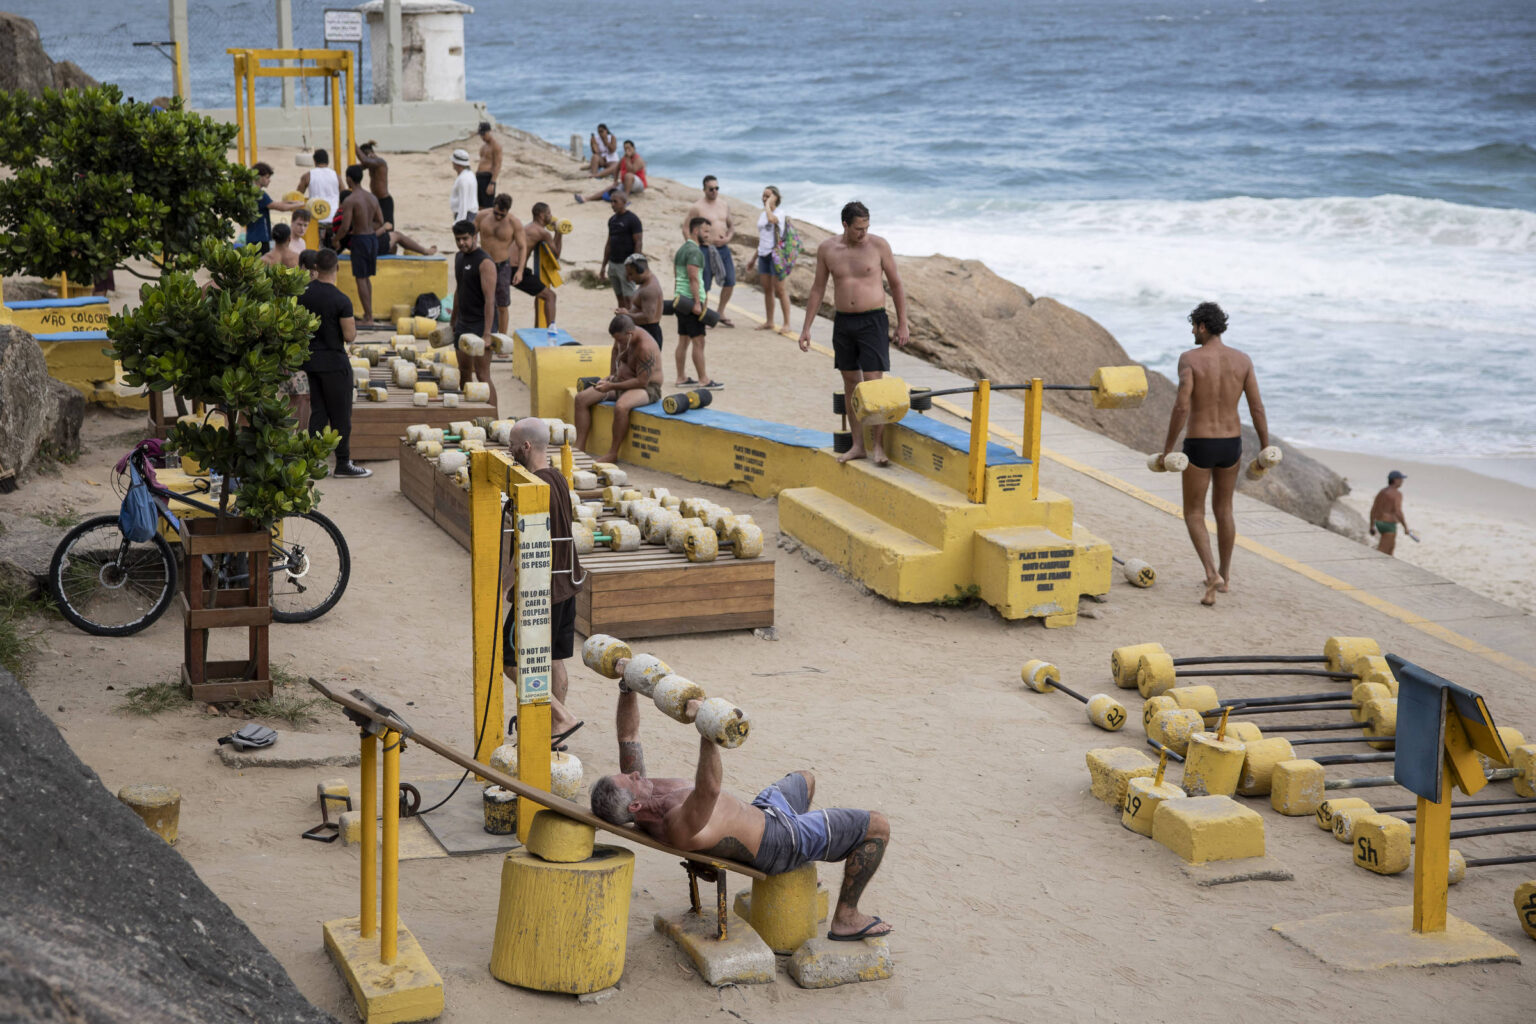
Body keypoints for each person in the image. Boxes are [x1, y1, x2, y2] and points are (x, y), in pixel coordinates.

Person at [589, 682, 893, 941]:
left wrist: (627, 685)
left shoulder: (643, 797)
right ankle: (846, 917)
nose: (634, 773)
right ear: (634, 806)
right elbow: (710, 789)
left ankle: (806, 857)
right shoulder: (674, 824)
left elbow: (628, 735)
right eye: (630, 779)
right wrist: (706, 727)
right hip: (779, 842)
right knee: (878, 826)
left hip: (765, 811)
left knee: (805, 778)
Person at [1156, 301, 1270, 606]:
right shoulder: (1243, 360)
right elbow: (1257, 407)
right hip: (1231, 443)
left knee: (1194, 512)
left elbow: (1181, 406)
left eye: (1194, 326)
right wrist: (1264, 448)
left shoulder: (1190, 359)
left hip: (1200, 443)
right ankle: (1226, 576)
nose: (1192, 332)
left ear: (1203, 326)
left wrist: (1167, 450)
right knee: (1225, 510)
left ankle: (1211, 573)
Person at [797, 201, 909, 465]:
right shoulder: (827, 249)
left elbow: (896, 284)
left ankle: (878, 446)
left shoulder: (878, 246)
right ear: (845, 225)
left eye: (867, 227)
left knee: (873, 381)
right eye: (859, 228)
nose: (864, 233)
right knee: (851, 383)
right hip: (844, 322)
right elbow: (818, 288)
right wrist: (806, 328)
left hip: (873, 321)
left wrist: (903, 323)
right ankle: (858, 445)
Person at [504, 417, 586, 746]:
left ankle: (562, 717)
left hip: (542, 591)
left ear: (526, 446)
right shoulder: (558, 478)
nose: (509, 450)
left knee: (511, 660)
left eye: (512, 444)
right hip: (568, 583)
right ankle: (555, 733)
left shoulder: (533, 488)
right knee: (554, 659)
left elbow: (526, 547)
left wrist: (503, 587)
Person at [299, 249, 370, 478]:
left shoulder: (303, 294)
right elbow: (349, 335)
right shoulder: (341, 299)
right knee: (341, 414)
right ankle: (342, 463)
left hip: (311, 362)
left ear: (315, 268)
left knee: (318, 412)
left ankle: (312, 462)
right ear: (337, 268)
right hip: (334, 363)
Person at [573, 314, 663, 464]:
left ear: (629, 334)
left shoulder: (645, 347)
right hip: (620, 382)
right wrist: (611, 375)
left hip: (647, 388)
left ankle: (613, 453)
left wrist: (611, 386)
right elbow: (615, 351)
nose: (617, 343)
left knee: (621, 406)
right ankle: (579, 448)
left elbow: (641, 382)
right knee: (581, 399)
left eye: (620, 340)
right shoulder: (622, 338)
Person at [451, 218, 499, 412]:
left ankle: (495, 417)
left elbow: (490, 300)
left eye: (465, 238)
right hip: (463, 323)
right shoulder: (458, 258)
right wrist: (453, 321)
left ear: (474, 237)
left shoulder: (485, 262)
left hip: (481, 324)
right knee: (464, 372)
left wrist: (487, 334)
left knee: (482, 374)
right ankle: (469, 413)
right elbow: (459, 290)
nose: (461, 243)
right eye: (458, 239)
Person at [674, 217, 721, 388]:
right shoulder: (694, 251)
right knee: (698, 341)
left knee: (683, 340)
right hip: (690, 303)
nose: (708, 235)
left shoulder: (682, 250)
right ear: (696, 231)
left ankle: (681, 377)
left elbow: (677, 276)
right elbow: (693, 277)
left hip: (681, 300)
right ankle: (703, 379)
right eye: (705, 231)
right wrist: (697, 303)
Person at [335, 165, 385, 324]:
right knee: (366, 278)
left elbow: (344, 227)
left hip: (360, 240)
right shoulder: (372, 198)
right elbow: (380, 221)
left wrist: (335, 239)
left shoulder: (350, 200)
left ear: (349, 179)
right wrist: (368, 226)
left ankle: (368, 317)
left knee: (360, 279)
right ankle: (368, 314)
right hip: (372, 239)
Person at [684, 175, 735, 327]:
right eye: (711, 189)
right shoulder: (697, 207)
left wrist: (727, 238)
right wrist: (692, 246)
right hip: (704, 249)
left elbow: (731, 226)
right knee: (704, 284)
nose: (714, 191)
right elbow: (686, 228)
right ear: (704, 189)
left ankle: (720, 312)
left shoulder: (724, 205)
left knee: (730, 281)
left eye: (717, 188)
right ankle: (704, 313)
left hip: (723, 248)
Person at [476, 193, 527, 335]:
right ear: (494, 206)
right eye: (496, 213)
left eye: (502, 215)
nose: (498, 217)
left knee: (502, 305)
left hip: (502, 266)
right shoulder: (482, 216)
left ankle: (502, 338)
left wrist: (520, 271)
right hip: (483, 263)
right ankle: (482, 333)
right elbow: (470, 235)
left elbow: (522, 247)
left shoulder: (514, 223)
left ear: (508, 211)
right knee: (480, 301)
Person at [516, 202, 563, 328]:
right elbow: (556, 254)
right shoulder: (542, 232)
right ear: (542, 215)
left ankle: (539, 325)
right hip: (515, 270)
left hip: (512, 267)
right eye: (549, 213)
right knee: (550, 296)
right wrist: (559, 232)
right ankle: (551, 329)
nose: (551, 216)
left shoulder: (528, 227)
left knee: (540, 293)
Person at [755, 186, 793, 331]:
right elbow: (762, 237)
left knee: (780, 290)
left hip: (776, 256)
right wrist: (753, 258)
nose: (764, 198)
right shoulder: (762, 215)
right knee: (767, 289)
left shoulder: (780, 213)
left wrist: (768, 205)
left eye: (768, 196)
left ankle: (787, 323)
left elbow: (772, 219)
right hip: (763, 254)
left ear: (775, 198)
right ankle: (769, 321)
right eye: (763, 196)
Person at [248, 162, 304, 255]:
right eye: (267, 177)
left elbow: (276, 203)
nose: (269, 180)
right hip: (260, 238)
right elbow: (280, 207)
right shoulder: (259, 194)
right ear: (258, 177)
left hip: (252, 236)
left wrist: (293, 202)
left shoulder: (251, 191)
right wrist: (299, 205)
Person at [601, 191, 644, 305]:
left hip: (625, 265)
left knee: (630, 299)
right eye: (611, 201)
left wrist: (633, 267)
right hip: (613, 264)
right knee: (619, 298)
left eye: (615, 202)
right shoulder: (612, 220)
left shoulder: (633, 219)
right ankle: (622, 316)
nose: (612, 204)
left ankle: (631, 317)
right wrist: (603, 266)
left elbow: (638, 243)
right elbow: (609, 243)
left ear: (624, 202)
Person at [575, 140, 647, 204]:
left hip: (638, 185)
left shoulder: (638, 159)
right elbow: (616, 169)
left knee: (628, 175)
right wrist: (615, 181)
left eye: (629, 148)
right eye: (625, 149)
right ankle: (587, 199)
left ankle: (625, 198)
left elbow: (631, 170)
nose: (627, 150)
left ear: (633, 148)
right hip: (626, 184)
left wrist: (627, 158)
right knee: (609, 189)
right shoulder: (624, 158)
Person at [619, 254, 663, 350]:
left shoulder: (649, 289)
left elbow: (647, 317)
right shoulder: (645, 282)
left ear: (640, 270)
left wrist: (627, 314)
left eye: (631, 274)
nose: (629, 278)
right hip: (644, 331)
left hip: (649, 332)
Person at [1368, 471, 1411, 555]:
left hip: (1379, 522)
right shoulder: (1397, 494)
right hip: (1389, 524)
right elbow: (1398, 511)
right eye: (1401, 479)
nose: (1402, 481)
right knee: (1384, 550)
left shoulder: (1382, 491)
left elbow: (1374, 509)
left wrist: (1371, 525)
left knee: (1390, 548)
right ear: (1395, 480)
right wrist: (1405, 527)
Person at [355, 140, 393, 232]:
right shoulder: (371, 164)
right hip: (376, 200)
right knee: (377, 226)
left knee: (388, 229)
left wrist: (353, 144)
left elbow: (364, 160)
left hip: (384, 200)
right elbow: (359, 167)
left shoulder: (380, 162)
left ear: (371, 153)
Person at [296, 149, 340, 216]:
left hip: (316, 215)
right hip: (334, 214)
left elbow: (298, 195)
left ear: (314, 161)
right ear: (328, 161)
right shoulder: (336, 176)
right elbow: (344, 194)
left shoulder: (307, 176)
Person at [476, 122, 502, 210]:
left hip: (487, 179)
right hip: (479, 178)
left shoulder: (496, 146)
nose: (482, 137)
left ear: (490, 132)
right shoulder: (483, 146)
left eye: (484, 134)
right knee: (478, 205)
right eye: (481, 134)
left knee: (487, 207)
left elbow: (497, 165)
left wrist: (492, 183)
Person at [449, 149, 477, 225]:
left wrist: (458, 223)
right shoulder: (470, 174)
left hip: (465, 216)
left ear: (457, 164)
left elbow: (464, 203)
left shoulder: (463, 179)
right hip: (469, 214)